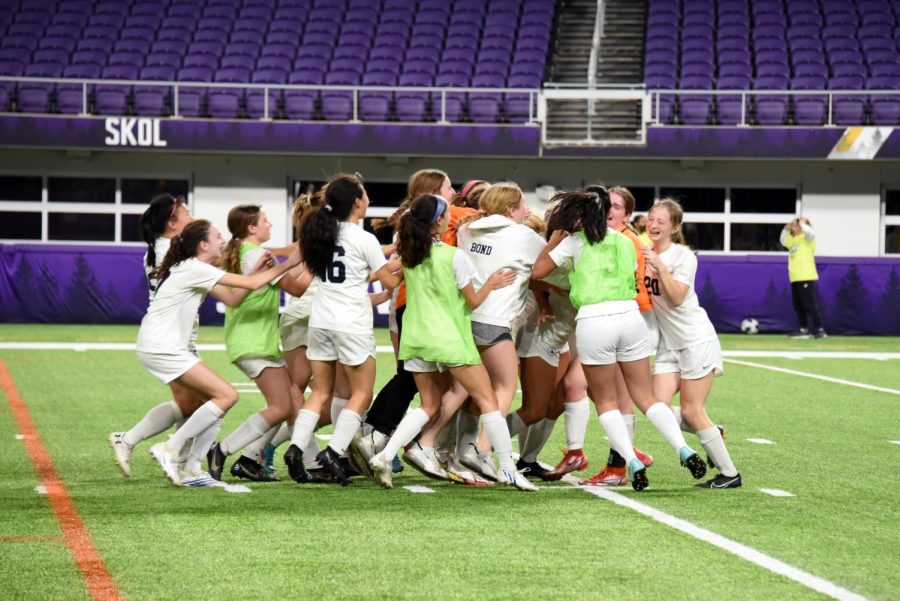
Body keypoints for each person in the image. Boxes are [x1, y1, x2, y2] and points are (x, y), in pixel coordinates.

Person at [532, 190, 707, 492]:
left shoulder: (575, 242)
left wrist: (555, 242)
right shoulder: (628, 241)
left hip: (594, 320)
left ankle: (631, 460)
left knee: (606, 402)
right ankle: (684, 448)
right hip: (630, 316)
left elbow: (538, 271)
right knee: (646, 397)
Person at [367, 194, 535, 491]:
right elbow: (472, 301)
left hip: (415, 338)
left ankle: (385, 454)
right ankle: (508, 469)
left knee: (428, 404)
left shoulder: (411, 254)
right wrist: (491, 285)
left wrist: (377, 269)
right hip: (449, 338)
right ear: (438, 223)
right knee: (488, 402)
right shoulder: (454, 257)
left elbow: (391, 284)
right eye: (446, 215)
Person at [142, 219, 302, 486]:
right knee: (227, 395)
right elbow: (250, 287)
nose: (223, 241)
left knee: (214, 403)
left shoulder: (195, 268)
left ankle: (193, 469)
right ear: (203, 244)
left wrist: (258, 272)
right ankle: (170, 447)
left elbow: (233, 298)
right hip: (164, 345)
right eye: (217, 237)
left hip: (163, 345)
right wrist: (289, 263)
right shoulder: (195, 269)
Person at [283, 173, 401, 485]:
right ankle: (333, 451)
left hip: (320, 321)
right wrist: (405, 268)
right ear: (357, 203)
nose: (368, 201)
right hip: (351, 323)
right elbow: (389, 283)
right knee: (362, 392)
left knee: (320, 391)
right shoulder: (364, 239)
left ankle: (296, 448)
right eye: (365, 196)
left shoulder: (319, 233)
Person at [352, 169, 456, 478]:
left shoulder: (411, 221)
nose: (454, 193)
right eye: (449, 188)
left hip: (407, 307)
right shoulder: (420, 225)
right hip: (413, 307)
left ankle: (381, 436)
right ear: (434, 192)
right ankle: (380, 435)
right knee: (414, 378)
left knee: (413, 378)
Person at [205, 204, 312, 482]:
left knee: (289, 405)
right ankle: (222, 450)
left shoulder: (241, 251)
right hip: (254, 342)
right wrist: (319, 263)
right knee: (281, 407)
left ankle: (251, 459)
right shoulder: (258, 255)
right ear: (252, 228)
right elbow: (298, 288)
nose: (270, 225)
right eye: (265, 221)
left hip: (251, 341)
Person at [644, 199, 742, 489]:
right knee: (653, 406)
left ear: (675, 227)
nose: (654, 224)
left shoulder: (682, 257)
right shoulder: (643, 253)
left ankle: (729, 474)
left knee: (691, 410)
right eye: (651, 218)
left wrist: (659, 267)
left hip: (694, 340)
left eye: (662, 221)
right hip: (668, 344)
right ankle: (711, 431)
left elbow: (675, 298)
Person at [109, 193, 195, 477]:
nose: (191, 218)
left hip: (177, 333)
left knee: (193, 403)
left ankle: (176, 458)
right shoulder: (170, 250)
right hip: (171, 336)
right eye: (186, 213)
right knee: (201, 400)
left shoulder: (162, 247)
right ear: (172, 222)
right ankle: (166, 453)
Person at [578, 186, 656, 486]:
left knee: (624, 399)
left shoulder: (625, 241)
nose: (610, 210)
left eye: (617, 206)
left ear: (627, 214)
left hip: (628, 321)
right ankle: (627, 453)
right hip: (613, 322)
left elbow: (631, 287)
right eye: (607, 204)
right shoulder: (602, 238)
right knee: (602, 393)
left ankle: (619, 465)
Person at [780, 217, 826, 339]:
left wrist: (803, 223)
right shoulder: (792, 240)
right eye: (794, 225)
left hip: (806, 275)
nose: (794, 227)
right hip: (794, 276)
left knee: (810, 304)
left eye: (797, 225)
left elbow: (810, 232)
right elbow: (783, 240)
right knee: (798, 305)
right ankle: (803, 330)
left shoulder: (807, 239)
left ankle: (820, 330)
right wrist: (786, 229)